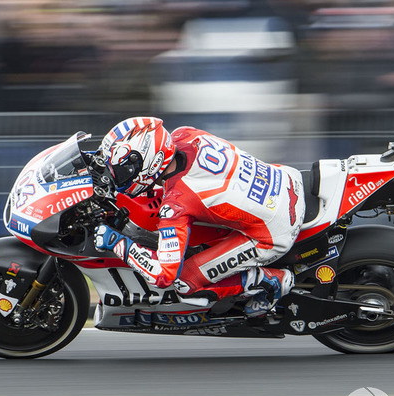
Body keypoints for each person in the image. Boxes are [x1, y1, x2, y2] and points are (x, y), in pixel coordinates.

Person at [94, 116, 305, 316]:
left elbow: (163, 276)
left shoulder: (178, 202)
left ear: (153, 161)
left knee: (185, 282)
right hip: (285, 180)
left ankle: (270, 281)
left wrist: (117, 243)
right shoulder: (185, 134)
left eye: (125, 170)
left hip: (274, 230)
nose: (119, 177)